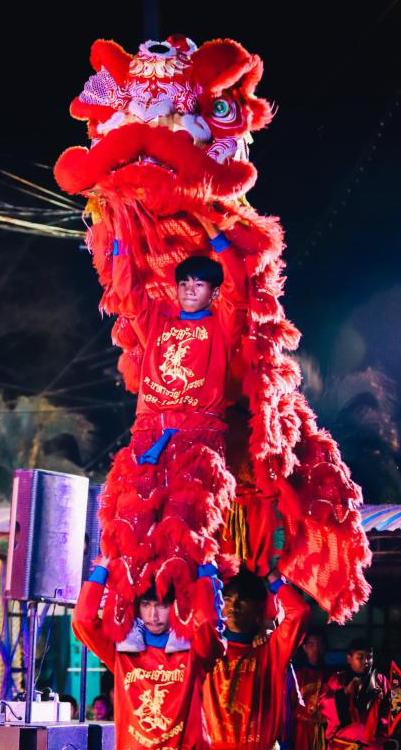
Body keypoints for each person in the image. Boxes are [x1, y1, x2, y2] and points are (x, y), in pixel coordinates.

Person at [98, 214, 248, 637]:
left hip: (197, 440)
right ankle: (132, 625)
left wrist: (213, 231)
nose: (189, 290)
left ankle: (196, 627)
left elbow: (239, 290)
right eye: (184, 284)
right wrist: (121, 228)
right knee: (132, 531)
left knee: (186, 535)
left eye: (199, 285)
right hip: (149, 438)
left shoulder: (222, 324)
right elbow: (126, 293)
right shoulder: (157, 323)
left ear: (212, 292)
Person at [73, 556, 225, 749]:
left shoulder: (194, 651)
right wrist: (104, 567)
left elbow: (206, 623)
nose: (153, 615)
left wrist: (205, 570)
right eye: (146, 605)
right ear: (138, 607)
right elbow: (82, 621)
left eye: (162, 605)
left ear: (175, 605)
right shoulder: (121, 651)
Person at [203, 566, 310, 750]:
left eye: (243, 600)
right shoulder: (207, 647)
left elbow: (299, 612)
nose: (233, 606)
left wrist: (272, 576)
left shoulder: (272, 650)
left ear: (259, 609)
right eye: (227, 599)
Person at [319, 638, 391, 749]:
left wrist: (378, 701)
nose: (366, 662)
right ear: (349, 659)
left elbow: (389, 711)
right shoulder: (338, 679)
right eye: (360, 657)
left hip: (371, 742)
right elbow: (325, 705)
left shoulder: (380, 680)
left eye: (369, 657)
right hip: (344, 742)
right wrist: (345, 692)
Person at [281, 628, 331, 750]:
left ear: (324, 647)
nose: (316, 649)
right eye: (311, 645)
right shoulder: (295, 675)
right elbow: (287, 705)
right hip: (301, 732)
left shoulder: (331, 675)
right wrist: (286, 737)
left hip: (325, 732)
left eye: (319, 644)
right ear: (304, 648)